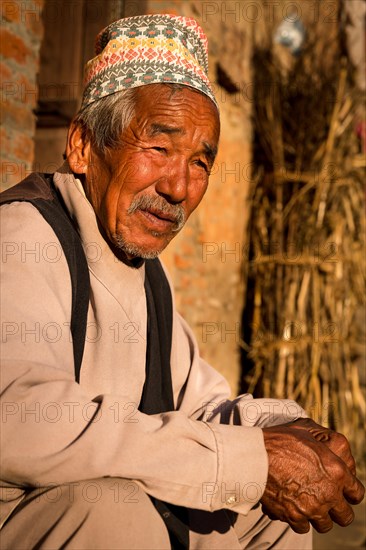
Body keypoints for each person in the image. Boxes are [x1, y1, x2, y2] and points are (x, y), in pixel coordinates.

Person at [0, 14, 364, 550]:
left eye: (200, 161)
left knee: (267, 515)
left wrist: (290, 431)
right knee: (109, 510)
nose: (179, 187)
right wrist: (241, 460)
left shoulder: (144, 271)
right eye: (158, 148)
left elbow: (197, 405)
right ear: (81, 147)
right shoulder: (22, 236)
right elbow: (19, 417)